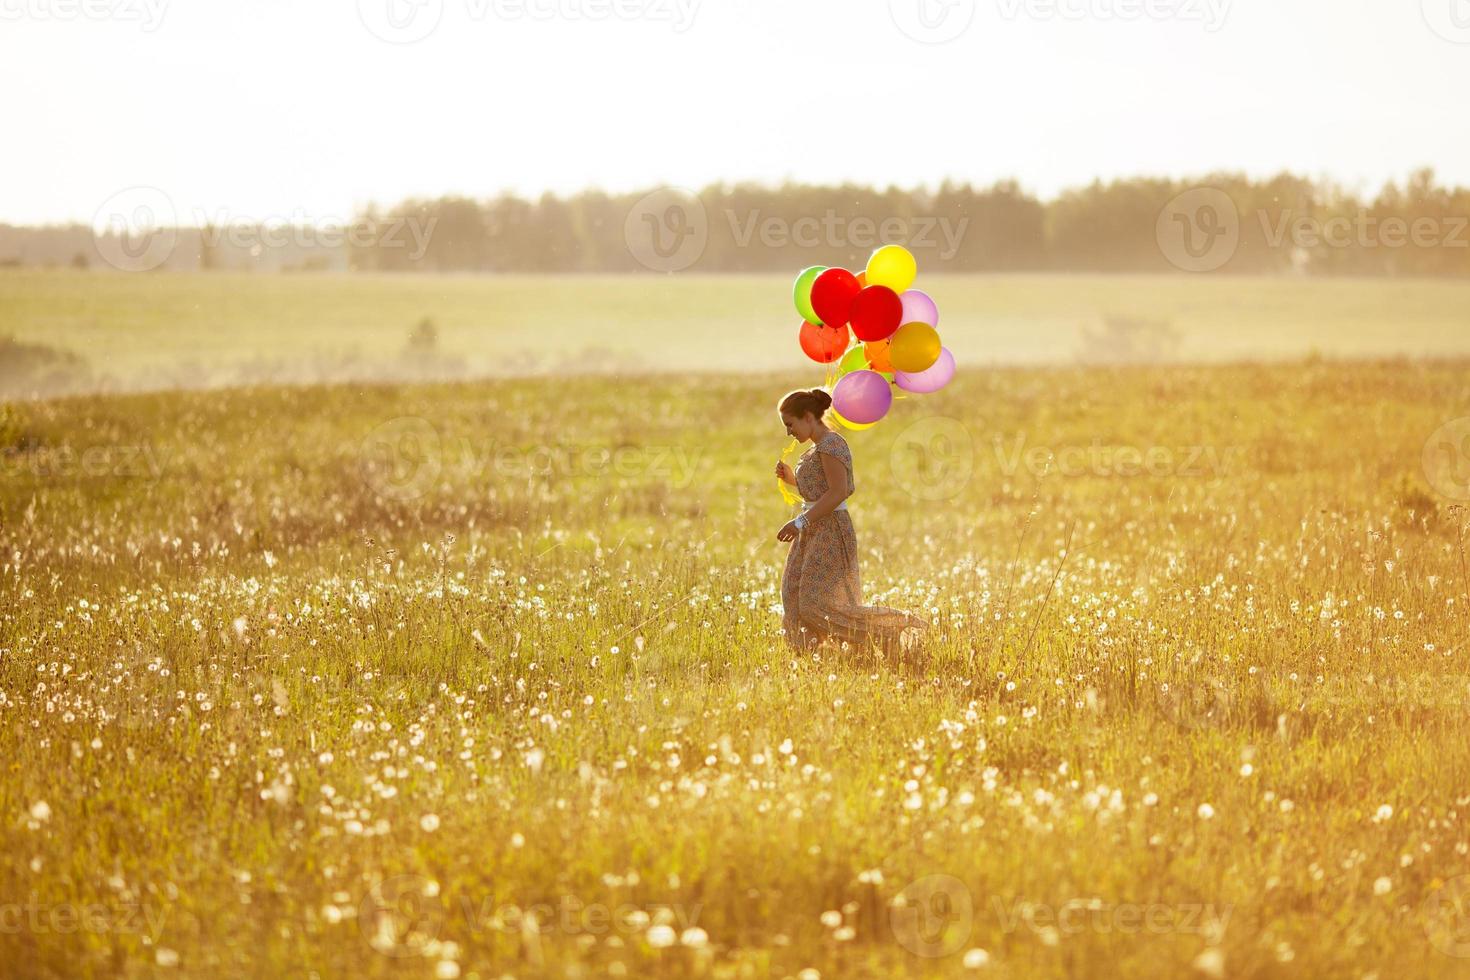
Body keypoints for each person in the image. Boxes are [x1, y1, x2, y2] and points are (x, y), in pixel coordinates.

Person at [774, 387, 927, 656]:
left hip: (828, 531)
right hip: (812, 529)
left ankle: (888, 627)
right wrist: (792, 480)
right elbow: (820, 489)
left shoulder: (832, 445)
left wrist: (800, 523)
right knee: (793, 595)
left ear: (808, 417)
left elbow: (838, 492)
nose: (788, 431)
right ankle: (812, 654)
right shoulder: (816, 449)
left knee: (814, 603)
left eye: (790, 424)